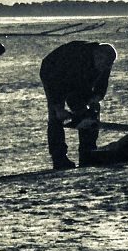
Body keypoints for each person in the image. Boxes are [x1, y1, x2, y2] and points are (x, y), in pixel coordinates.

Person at [39, 40, 118, 169]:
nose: (105, 68)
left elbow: (101, 86)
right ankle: (59, 158)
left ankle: (88, 152)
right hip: (52, 72)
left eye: (107, 66)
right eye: (103, 64)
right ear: (97, 56)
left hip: (78, 80)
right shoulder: (77, 58)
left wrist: (94, 100)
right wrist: (59, 107)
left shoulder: (106, 61)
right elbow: (57, 84)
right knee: (55, 117)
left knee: (89, 113)